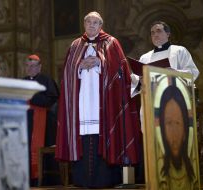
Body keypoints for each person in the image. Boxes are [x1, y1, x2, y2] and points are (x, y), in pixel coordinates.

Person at [55, 11, 142, 188]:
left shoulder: (111, 43)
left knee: (104, 133)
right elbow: (66, 74)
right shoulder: (75, 45)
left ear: (101, 25)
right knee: (84, 138)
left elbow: (121, 71)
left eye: (95, 22)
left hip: (104, 103)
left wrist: (101, 62)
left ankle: (106, 179)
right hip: (82, 103)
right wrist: (79, 67)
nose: (92, 25)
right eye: (88, 22)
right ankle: (81, 180)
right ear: (84, 25)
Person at [23, 54, 59, 185]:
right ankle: (28, 178)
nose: (30, 68)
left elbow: (52, 99)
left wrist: (32, 97)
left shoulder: (46, 80)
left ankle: (46, 179)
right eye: (27, 66)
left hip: (44, 123)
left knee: (44, 149)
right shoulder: (22, 81)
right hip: (26, 122)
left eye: (33, 66)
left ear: (39, 67)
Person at [156, 83, 198, 189]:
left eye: (178, 123)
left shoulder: (193, 176)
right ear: (162, 129)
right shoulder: (158, 174)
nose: (174, 132)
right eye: (169, 123)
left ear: (185, 130)